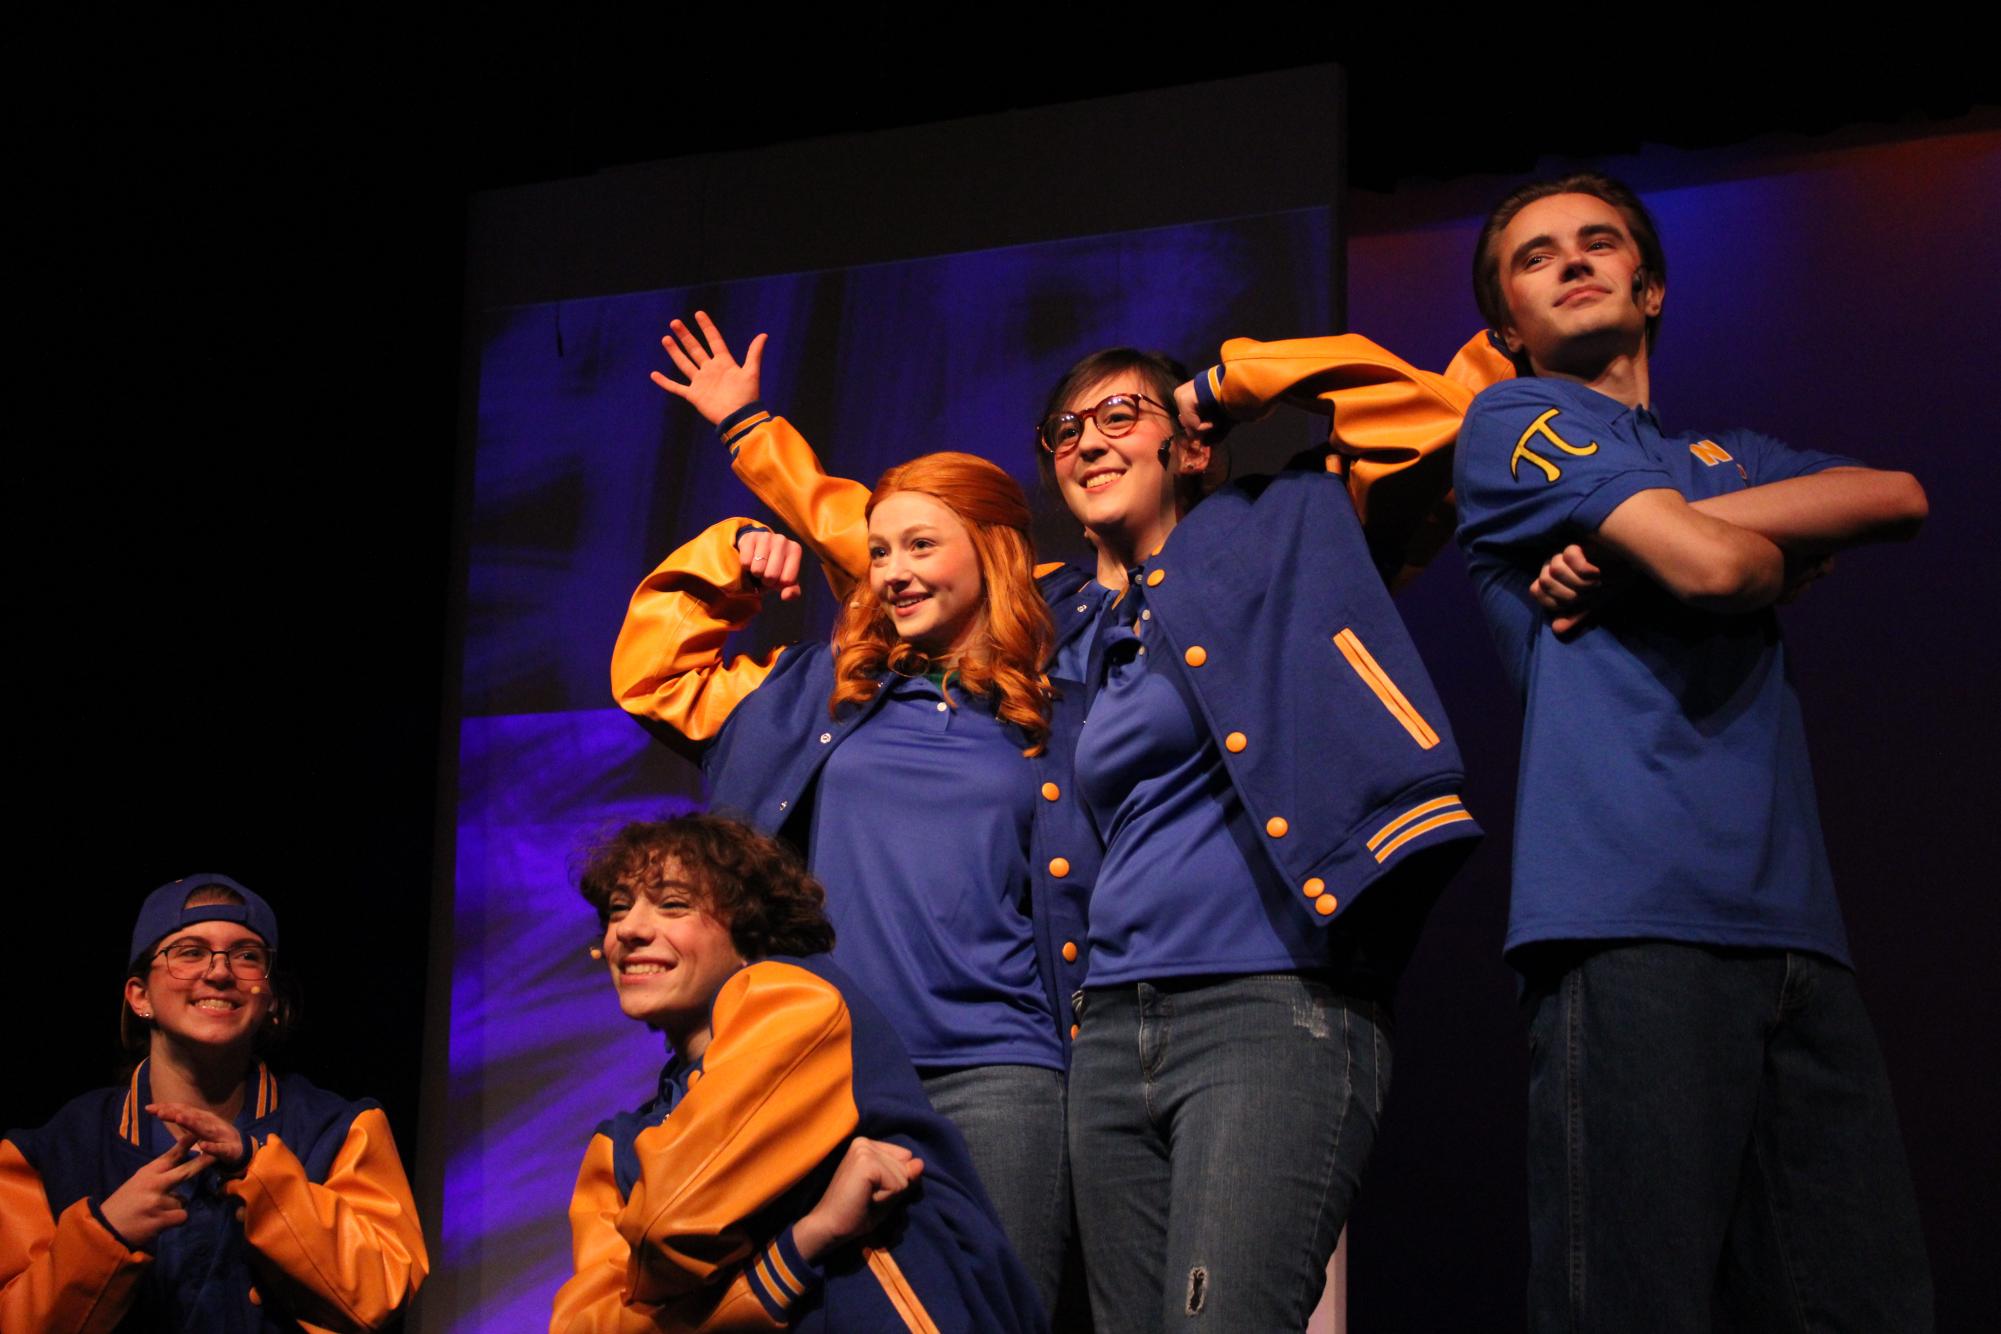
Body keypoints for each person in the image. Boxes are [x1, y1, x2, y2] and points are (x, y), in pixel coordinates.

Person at [662, 314, 1490, 1329]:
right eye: (1065, 431)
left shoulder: (1275, 540)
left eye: (1120, 414)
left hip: (1266, 993)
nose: (1088, 439)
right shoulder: (1058, 631)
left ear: (1188, 443)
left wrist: (1224, 385)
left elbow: (1437, 415)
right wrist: (752, 433)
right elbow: (897, 536)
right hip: (1109, 1028)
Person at [1452, 170, 1933, 1331]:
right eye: (1536, 255)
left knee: (1860, 1304)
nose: (1572, 261)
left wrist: (1624, 547)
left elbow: (1898, 493)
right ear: (1508, 325)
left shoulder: (1724, 455)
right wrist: (1711, 541)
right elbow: (1726, 571)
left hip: (1794, 931)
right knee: (1630, 1301)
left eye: (1599, 242)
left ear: (1649, 286)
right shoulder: (1513, 422)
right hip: (1627, 923)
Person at [612, 374, 1097, 1312]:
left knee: (999, 1316)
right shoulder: (813, 694)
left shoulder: (1057, 706)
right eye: (876, 552)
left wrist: (758, 434)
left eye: (921, 545)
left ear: (996, 555)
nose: (892, 570)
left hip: (1003, 1073)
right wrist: (731, 560)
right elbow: (654, 675)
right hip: (829, 1070)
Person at [549, 814, 1046, 1332]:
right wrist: (809, 1237)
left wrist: (669, 1300)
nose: (628, 929)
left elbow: (670, 1227)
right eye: (617, 911)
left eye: (673, 904)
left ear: (749, 932)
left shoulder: (795, 998)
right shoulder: (618, 1146)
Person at [0, 873, 428, 1332]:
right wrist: (108, 1234)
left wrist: (260, 1174)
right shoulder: (46, 1155)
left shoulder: (342, 1131)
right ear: (140, 995)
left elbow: (383, 1291)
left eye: (246, 956)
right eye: (190, 952)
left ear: (271, 1000)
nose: (220, 972)